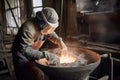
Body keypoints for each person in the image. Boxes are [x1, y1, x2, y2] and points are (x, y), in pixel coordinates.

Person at [12, 7, 67, 80]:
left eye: (53, 28)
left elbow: (50, 33)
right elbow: (25, 49)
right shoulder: (28, 29)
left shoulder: (45, 28)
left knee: (38, 74)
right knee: (25, 75)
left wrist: (59, 41)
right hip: (21, 53)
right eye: (50, 27)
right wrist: (45, 55)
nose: (51, 30)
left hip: (33, 51)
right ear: (43, 23)